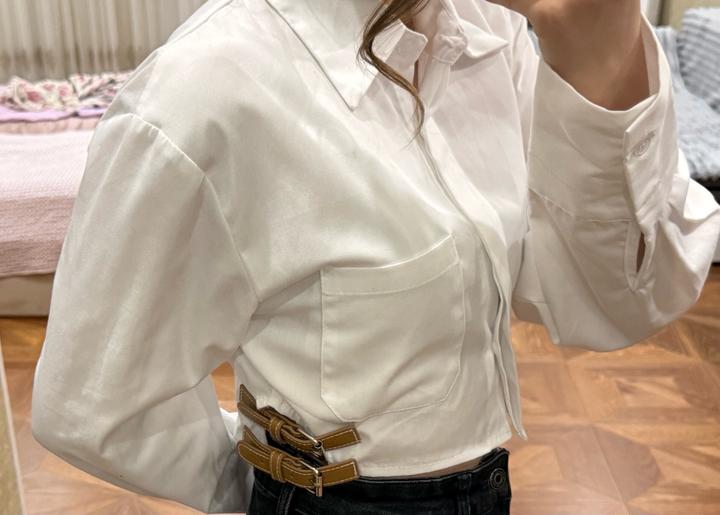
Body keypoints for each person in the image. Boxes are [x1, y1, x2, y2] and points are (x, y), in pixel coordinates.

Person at [30, 0, 720, 513]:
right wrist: (268, 478)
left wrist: (604, 57)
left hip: (489, 485)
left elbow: (611, 300)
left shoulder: (493, 32)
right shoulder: (204, 92)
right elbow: (89, 403)